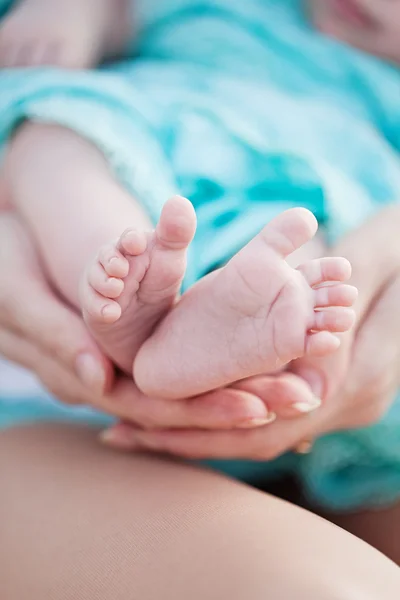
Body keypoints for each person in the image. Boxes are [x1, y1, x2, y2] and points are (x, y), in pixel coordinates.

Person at [1, 0, 400, 570]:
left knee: (302, 268)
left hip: (290, 204)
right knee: (58, 138)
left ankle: (213, 354)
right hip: (142, 134)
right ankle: (122, 304)